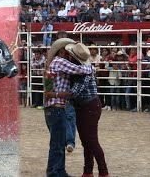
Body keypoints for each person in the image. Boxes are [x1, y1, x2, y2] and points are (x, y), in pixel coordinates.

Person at [45, 43, 110, 177]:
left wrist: (55, 94)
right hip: (85, 106)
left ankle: (102, 171)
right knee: (87, 140)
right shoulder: (79, 70)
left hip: (88, 106)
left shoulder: (82, 71)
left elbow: (74, 93)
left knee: (90, 140)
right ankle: (88, 171)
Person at [56, 32, 77, 153]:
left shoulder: (60, 57)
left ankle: (69, 141)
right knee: (67, 116)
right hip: (65, 91)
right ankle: (68, 141)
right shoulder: (61, 59)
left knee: (68, 116)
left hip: (66, 91)